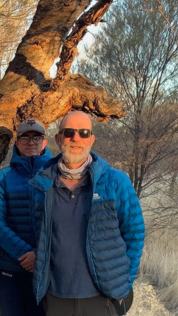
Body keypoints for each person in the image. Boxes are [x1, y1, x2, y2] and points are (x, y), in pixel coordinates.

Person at [30, 111, 145, 316]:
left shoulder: (115, 182)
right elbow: (38, 234)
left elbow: (134, 233)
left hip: (101, 298)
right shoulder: (42, 185)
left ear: (91, 140)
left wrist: (123, 283)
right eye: (69, 132)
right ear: (58, 139)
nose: (76, 138)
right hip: (56, 297)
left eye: (83, 133)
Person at [0, 119, 53, 316]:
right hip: (11, 268)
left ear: (45, 142)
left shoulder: (57, 175)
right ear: (17, 143)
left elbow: (62, 221)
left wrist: (40, 255)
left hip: (47, 269)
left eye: (37, 137)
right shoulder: (3, 177)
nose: (31, 142)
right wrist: (25, 253)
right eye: (25, 137)